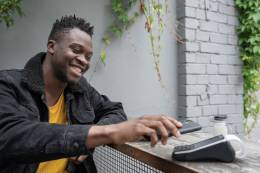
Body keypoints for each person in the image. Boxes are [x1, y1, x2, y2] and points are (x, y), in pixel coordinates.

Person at [0, 15, 182, 173]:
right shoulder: (8, 84)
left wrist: (90, 138)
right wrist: (100, 133)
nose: (83, 61)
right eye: (76, 50)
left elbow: (114, 110)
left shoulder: (80, 89)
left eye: (88, 57)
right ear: (51, 46)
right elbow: (9, 135)